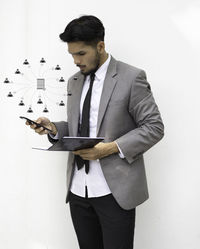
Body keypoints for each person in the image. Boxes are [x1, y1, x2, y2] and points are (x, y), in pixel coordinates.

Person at [26, 15, 164, 249]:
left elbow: (154, 126)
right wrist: (53, 128)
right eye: (71, 54)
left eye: (81, 54)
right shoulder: (74, 81)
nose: (75, 61)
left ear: (100, 46)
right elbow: (80, 128)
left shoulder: (132, 78)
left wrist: (109, 149)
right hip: (78, 191)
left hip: (115, 192)